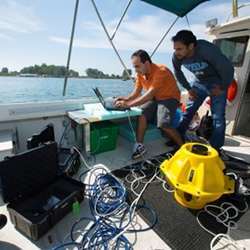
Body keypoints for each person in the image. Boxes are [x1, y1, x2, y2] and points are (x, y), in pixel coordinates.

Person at [172, 30, 234, 151]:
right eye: (175, 49)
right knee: (188, 111)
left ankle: (215, 149)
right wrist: (189, 89)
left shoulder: (207, 50)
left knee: (218, 117)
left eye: (179, 49)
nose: (176, 52)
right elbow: (177, 73)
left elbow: (228, 69)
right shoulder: (177, 57)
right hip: (199, 81)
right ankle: (177, 138)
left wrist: (222, 87)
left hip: (217, 81)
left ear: (191, 46)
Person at [115, 50, 183, 159]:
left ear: (146, 63)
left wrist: (128, 105)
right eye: (134, 67)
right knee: (142, 113)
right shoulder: (140, 74)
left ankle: (182, 146)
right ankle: (139, 145)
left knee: (163, 124)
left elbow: (149, 95)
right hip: (155, 98)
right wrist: (125, 99)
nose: (135, 70)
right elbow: (136, 92)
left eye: (137, 66)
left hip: (169, 98)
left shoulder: (161, 71)